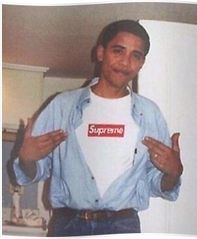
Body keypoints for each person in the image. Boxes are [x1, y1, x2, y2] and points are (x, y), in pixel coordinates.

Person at [13, 19, 183, 236]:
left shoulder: (150, 114)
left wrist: (174, 173)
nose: (125, 62)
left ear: (141, 64)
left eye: (135, 55)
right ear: (100, 53)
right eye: (118, 51)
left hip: (123, 227)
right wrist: (27, 159)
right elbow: (33, 172)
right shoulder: (62, 106)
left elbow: (158, 183)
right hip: (68, 226)